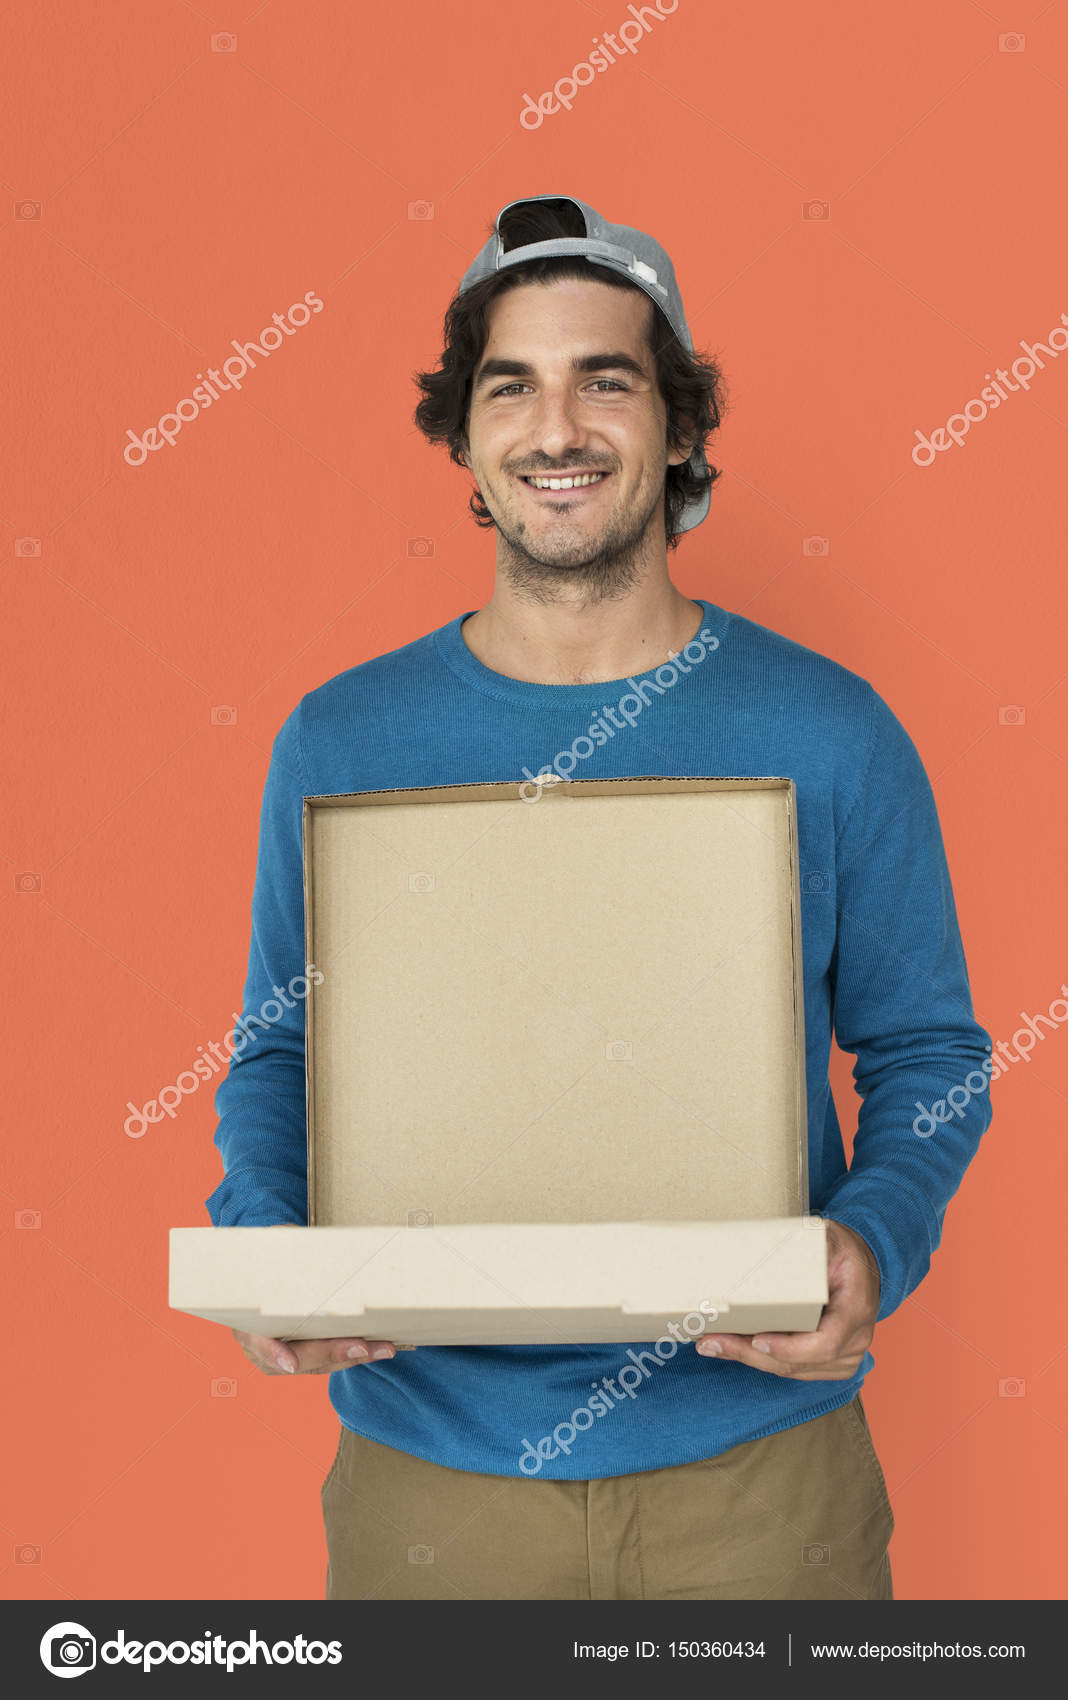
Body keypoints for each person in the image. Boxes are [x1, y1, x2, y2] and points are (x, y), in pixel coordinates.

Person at [206, 194, 994, 1601]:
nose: (556, 427)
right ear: (462, 433)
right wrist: (267, 1245)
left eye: (605, 380)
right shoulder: (340, 741)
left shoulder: (831, 731)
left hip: (764, 1488)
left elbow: (930, 1054)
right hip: (433, 1489)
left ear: (681, 427)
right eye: (511, 386)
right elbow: (282, 1047)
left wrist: (873, 1245)